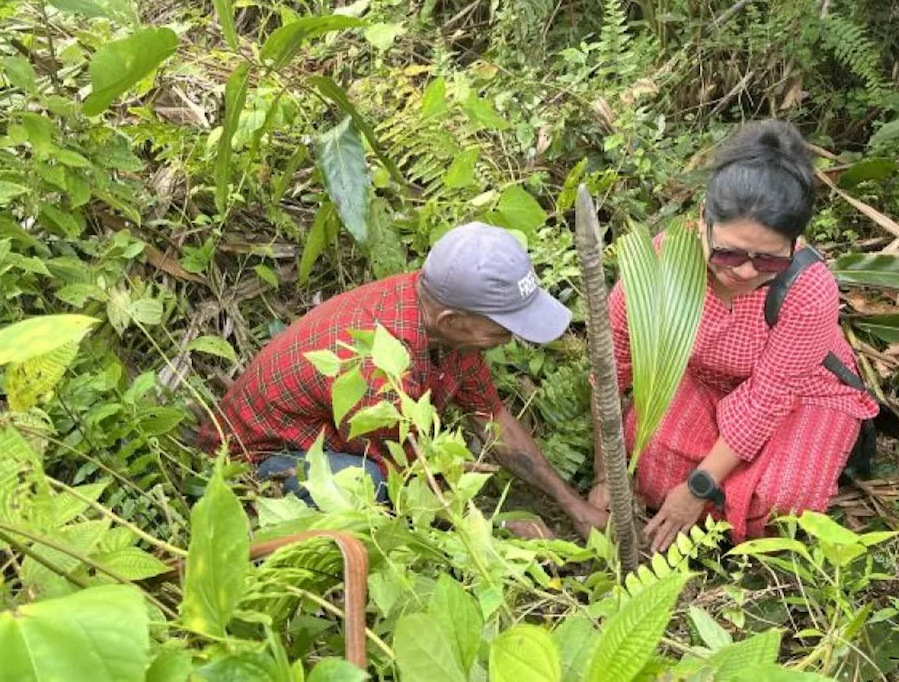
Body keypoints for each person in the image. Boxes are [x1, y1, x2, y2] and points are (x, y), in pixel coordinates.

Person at [198, 222, 609, 539]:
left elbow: (492, 416)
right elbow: (408, 485)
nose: (511, 339)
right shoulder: (381, 367)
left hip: (327, 440)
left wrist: (573, 505)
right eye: (503, 329)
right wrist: (499, 529)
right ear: (454, 321)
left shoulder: (445, 323)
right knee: (371, 485)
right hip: (252, 466)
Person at [589, 120, 878, 551]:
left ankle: (725, 515)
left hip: (800, 395)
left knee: (782, 499)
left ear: (794, 243)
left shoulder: (809, 289)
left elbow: (768, 400)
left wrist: (698, 488)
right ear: (703, 219)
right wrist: (603, 476)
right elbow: (612, 368)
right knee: (643, 461)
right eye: (728, 252)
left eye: (769, 260)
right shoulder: (663, 261)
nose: (744, 272)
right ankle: (718, 516)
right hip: (705, 380)